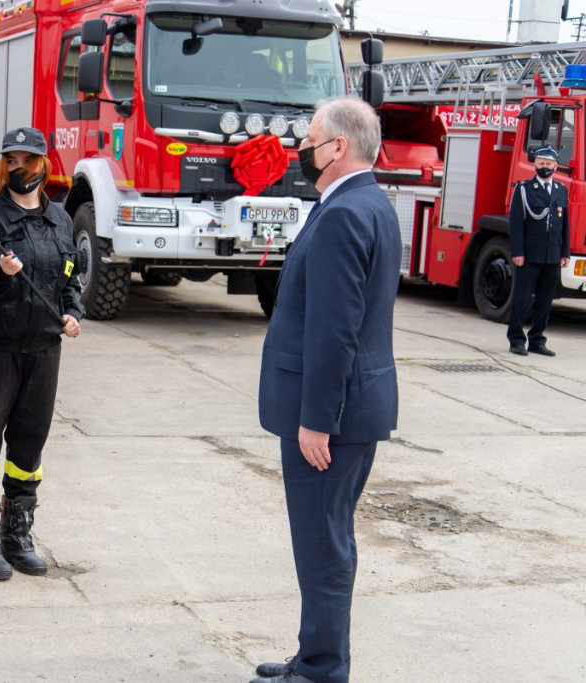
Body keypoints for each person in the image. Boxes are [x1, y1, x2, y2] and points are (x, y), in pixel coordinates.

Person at [254, 97, 401, 683]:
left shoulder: (344, 212)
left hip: (330, 419)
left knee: (322, 547)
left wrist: (317, 418)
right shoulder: (365, 202)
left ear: (337, 147)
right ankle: (315, 655)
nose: (303, 149)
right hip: (349, 407)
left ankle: (320, 671)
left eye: (310, 139)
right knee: (326, 542)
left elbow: (335, 330)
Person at [0, 126, 84, 582]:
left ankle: (17, 535)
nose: (18, 167)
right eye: (11, 159)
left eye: (28, 159)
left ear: (44, 165)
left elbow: (69, 276)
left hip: (43, 350)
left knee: (29, 443)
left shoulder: (61, 219)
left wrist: (72, 312)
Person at [506, 146, 569, 357]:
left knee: (545, 300)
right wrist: (517, 251)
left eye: (549, 164)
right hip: (529, 255)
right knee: (522, 299)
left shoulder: (561, 190)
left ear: (555, 166)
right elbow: (516, 223)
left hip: (552, 255)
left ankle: (537, 340)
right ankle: (516, 340)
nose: (545, 167)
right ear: (535, 165)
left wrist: (565, 253)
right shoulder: (524, 189)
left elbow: (564, 224)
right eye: (541, 163)